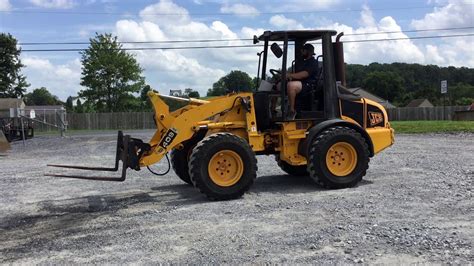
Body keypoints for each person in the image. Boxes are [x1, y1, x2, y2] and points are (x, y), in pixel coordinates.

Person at [285, 43, 319, 119]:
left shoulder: (313, 62)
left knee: (291, 86)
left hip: (308, 84)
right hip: (300, 83)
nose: (301, 52)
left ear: (308, 52)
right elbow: (296, 74)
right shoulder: (301, 62)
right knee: (277, 85)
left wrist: (290, 75)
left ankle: (292, 111)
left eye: (303, 50)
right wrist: (289, 77)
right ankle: (272, 112)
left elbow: (304, 74)